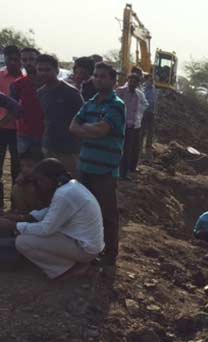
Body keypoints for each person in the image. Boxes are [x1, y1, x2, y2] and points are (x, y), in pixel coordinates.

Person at [0, 159, 104, 279]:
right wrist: (20, 218)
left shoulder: (64, 194)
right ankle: (72, 263)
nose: (39, 184)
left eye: (41, 180)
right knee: (29, 234)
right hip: (83, 241)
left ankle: (66, 269)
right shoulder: (69, 187)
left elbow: (45, 229)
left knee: (22, 242)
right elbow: (50, 212)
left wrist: (12, 225)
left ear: (53, 179)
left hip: (85, 249)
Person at [69, 62, 126, 267]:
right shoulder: (90, 103)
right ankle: (87, 250)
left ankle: (109, 254)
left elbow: (102, 130)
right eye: (96, 75)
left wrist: (85, 129)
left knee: (107, 213)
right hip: (85, 167)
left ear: (113, 80)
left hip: (104, 169)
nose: (98, 79)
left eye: (103, 76)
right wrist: (88, 129)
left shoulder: (116, 105)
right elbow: (72, 126)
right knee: (83, 211)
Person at [36, 54, 84, 175]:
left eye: (47, 69)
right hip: (48, 146)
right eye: (40, 70)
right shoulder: (40, 93)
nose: (43, 73)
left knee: (69, 182)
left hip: (69, 149)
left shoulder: (71, 92)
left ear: (57, 70)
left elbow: (84, 118)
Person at [0, 46, 24, 204]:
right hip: (1, 128)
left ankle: (16, 204)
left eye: (17, 59)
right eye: (10, 59)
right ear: (5, 59)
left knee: (18, 169)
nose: (14, 62)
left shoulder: (27, 78)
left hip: (20, 130)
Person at [10, 48, 45, 158]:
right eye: (24, 59)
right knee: (24, 168)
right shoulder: (17, 84)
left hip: (46, 134)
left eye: (31, 59)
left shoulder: (49, 82)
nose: (28, 62)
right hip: (24, 134)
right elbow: (12, 109)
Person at [115, 73, 148, 179]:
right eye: (131, 81)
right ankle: (118, 172)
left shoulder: (139, 94)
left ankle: (124, 173)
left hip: (134, 126)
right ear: (128, 80)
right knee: (120, 148)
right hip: (121, 125)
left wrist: (139, 114)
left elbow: (145, 104)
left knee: (130, 149)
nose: (132, 84)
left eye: (135, 82)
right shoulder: (120, 91)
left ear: (138, 83)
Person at [12, 146, 44, 214]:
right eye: (22, 166)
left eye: (30, 166)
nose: (24, 170)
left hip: (44, 215)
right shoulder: (21, 184)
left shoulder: (49, 184)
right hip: (27, 216)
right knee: (17, 187)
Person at [140, 74, 157, 159]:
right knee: (142, 130)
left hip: (151, 112)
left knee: (151, 130)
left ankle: (148, 146)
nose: (151, 82)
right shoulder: (143, 89)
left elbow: (154, 101)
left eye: (152, 80)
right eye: (150, 80)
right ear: (146, 81)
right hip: (145, 112)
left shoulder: (154, 90)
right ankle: (140, 147)